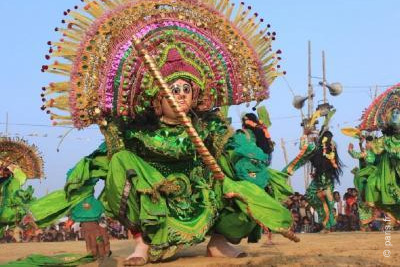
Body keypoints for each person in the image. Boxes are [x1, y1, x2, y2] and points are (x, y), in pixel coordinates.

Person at [12, 0, 299, 266]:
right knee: (120, 160)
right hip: (155, 204)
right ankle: (143, 243)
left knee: (242, 172)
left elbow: (240, 153)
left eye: (187, 89)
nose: (182, 96)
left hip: (202, 198)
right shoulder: (134, 132)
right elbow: (91, 169)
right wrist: (88, 216)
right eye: (174, 90)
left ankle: (220, 241)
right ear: (156, 100)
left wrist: (253, 179)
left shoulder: (208, 125)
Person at [0, 137, 43, 238]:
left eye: (5, 170)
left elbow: (18, 181)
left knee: (24, 211)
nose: (3, 172)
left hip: (10, 203)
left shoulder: (13, 181)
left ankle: (35, 229)